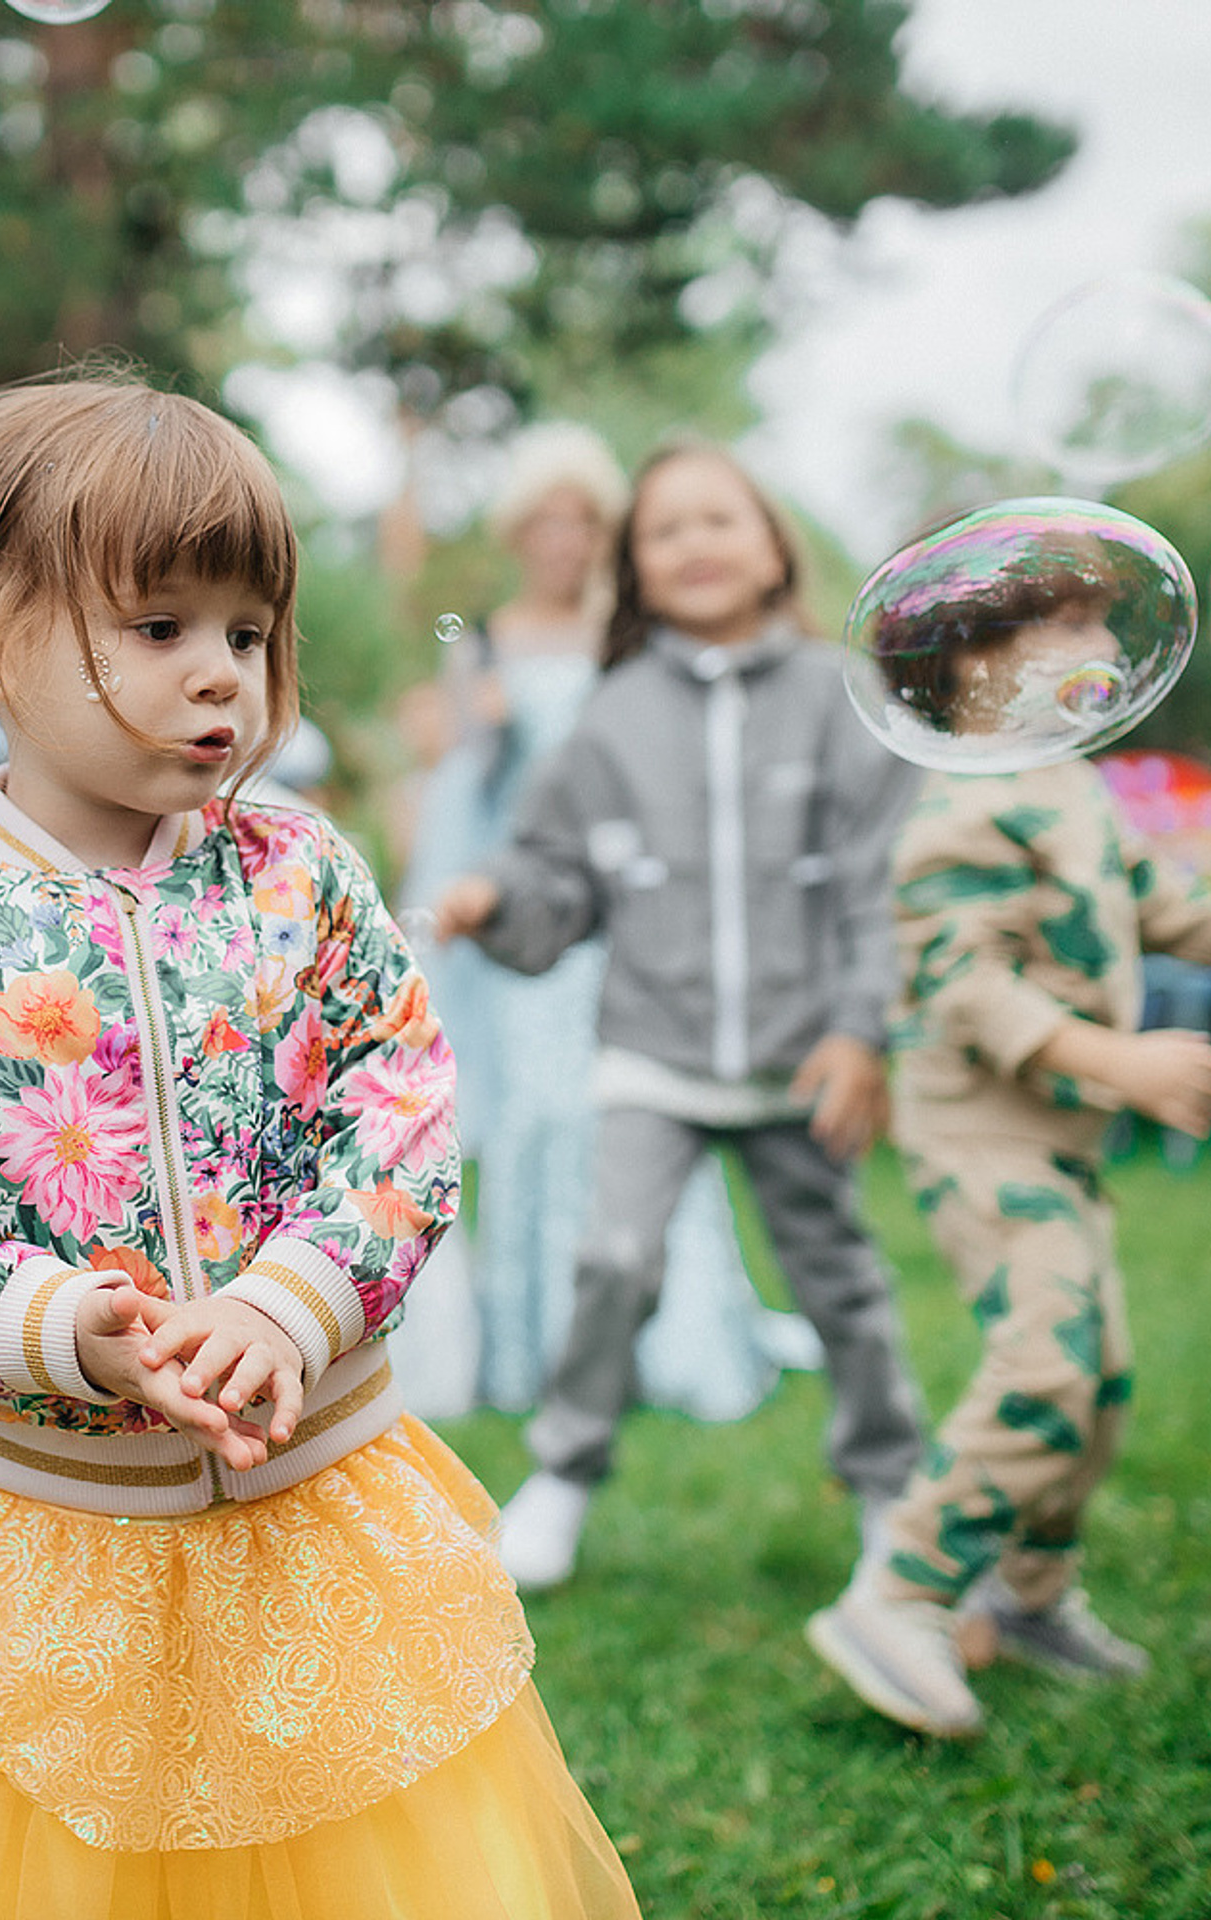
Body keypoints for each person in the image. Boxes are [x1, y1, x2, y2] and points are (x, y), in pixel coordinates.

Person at [0, 373, 642, 1920]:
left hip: (322, 1497)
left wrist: (291, 1299)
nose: (220, 676)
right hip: (64, 1524)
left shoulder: (296, 870)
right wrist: (58, 1327)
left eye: (246, 632)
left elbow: (401, 1095)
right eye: (159, 627)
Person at [434, 440, 927, 1589]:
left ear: (773, 545)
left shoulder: (837, 699)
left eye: (721, 520)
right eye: (665, 531)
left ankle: (891, 1489)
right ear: (635, 570)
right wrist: (498, 898)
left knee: (838, 1278)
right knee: (612, 1256)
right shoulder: (611, 713)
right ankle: (561, 1474)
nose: (695, 544)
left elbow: (873, 888)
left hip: (799, 1056)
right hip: (651, 1051)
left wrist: (861, 1032)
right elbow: (557, 880)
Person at [805, 557, 1211, 1738]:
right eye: (1070, 622)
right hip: (984, 1141)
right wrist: (1116, 1060)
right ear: (976, 658)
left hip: (1060, 1145)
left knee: (1100, 1382)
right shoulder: (957, 811)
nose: (1100, 638)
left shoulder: (1067, 787)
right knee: (1047, 1367)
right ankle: (904, 1590)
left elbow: (1164, 901)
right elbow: (961, 985)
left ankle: (1030, 1600)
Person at [394, 422, 816, 1421]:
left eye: (582, 520)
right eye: (543, 520)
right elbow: (465, 773)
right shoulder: (481, 635)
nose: (562, 538)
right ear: (516, 532)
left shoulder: (637, 634)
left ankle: (675, 1343)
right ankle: (541, 1355)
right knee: (542, 1120)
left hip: (633, 910)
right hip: (533, 912)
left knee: (643, 1105)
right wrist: (472, 713)